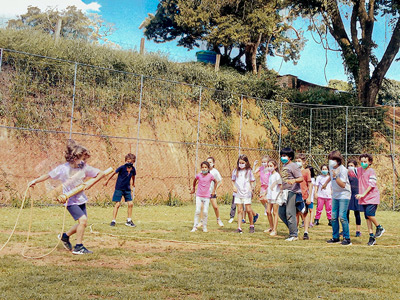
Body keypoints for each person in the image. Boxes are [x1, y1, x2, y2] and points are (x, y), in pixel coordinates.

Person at [29, 140, 102, 255]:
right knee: (83, 221)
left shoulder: (84, 167)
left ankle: (64, 236)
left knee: (82, 223)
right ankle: (79, 247)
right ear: (74, 158)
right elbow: (49, 175)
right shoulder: (63, 169)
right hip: (70, 200)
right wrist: (35, 181)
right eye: (82, 158)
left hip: (81, 199)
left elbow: (100, 174)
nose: (84, 161)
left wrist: (91, 183)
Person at [355, 154, 385, 246]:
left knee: (369, 214)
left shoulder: (371, 171)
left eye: (365, 162)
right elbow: (350, 171)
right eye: (362, 161)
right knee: (367, 218)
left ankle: (379, 227)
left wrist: (363, 194)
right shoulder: (359, 170)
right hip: (364, 199)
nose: (363, 163)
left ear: (370, 162)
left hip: (372, 198)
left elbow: (371, 185)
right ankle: (371, 237)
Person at [326, 150, 352, 246]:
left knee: (342, 216)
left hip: (344, 194)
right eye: (330, 159)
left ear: (338, 160)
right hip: (335, 194)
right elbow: (330, 176)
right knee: (333, 217)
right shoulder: (331, 167)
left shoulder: (343, 170)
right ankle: (335, 237)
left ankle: (347, 238)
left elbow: (342, 185)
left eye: (333, 159)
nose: (331, 161)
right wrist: (325, 183)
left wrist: (336, 177)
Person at [104, 153, 136, 228]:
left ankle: (129, 220)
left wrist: (133, 183)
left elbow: (133, 176)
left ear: (133, 162)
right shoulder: (122, 167)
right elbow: (113, 173)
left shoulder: (133, 169)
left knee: (130, 204)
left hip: (127, 189)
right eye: (128, 161)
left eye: (131, 162)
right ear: (125, 161)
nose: (129, 163)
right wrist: (107, 181)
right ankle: (113, 220)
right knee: (117, 204)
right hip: (119, 188)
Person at [278, 147, 303, 241]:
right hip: (284, 192)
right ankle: (294, 230)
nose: (282, 157)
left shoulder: (294, 166)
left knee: (290, 212)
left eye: (284, 156)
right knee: (281, 212)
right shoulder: (284, 166)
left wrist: (294, 180)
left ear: (290, 157)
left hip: (293, 192)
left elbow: (301, 178)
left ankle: (293, 235)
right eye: (281, 155)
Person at [232, 154, 256, 233]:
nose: (241, 164)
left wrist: (252, 188)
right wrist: (234, 187)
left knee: (248, 210)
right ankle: (239, 228)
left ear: (246, 163)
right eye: (240, 163)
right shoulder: (236, 171)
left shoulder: (249, 171)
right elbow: (233, 180)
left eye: (242, 163)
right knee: (239, 210)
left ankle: (251, 225)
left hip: (246, 193)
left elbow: (252, 181)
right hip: (238, 193)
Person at [190, 161, 217, 232]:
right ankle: (195, 227)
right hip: (199, 195)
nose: (204, 169)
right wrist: (193, 188)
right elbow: (195, 180)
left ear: (208, 168)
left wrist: (214, 191)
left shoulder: (210, 176)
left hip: (206, 196)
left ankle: (204, 226)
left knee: (205, 212)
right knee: (197, 211)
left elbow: (215, 181)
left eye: (205, 167)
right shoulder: (199, 175)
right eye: (202, 167)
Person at [198, 157, 224, 227]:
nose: (209, 164)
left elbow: (220, 181)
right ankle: (201, 221)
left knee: (215, 207)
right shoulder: (203, 171)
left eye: (210, 162)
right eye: (208, 162)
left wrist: (215, 190)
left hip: (212, 193)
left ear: (213, 163)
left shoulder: (215, 171)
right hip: (204, 193)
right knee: (202, 207)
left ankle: (218, 219)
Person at [294, 154, 312, 240]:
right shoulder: (293, 171)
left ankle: (306, 232)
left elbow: (310, 184)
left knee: (305, 213)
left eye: (299, 161)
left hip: (304, 196)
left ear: (303, 162)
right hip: (295, 195)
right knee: (296, 214)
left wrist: (309, 197)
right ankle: (295, 231)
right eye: (296, 161)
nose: (297, 162)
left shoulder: (306, 171)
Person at [265, 159, 282, 236]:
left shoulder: (277, 175)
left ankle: (275, 230)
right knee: (268, 211)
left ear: (275, 166)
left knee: (275, 213)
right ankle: (271, 227)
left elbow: (280, 185)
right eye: (268, 166)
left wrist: (280, 195)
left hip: (276, 196)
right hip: (270, 196)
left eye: (271, 166)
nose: (269, 167)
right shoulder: (271, 175)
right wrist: (265, 193)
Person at [347, 160, 362, 237]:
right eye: (349, 165)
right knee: (346, 213)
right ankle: (346, 230)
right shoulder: (346, 174)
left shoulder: (358, 174)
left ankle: (358, 231)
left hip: (356, 195)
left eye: (351, 165)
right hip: (348, 195)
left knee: (357, 213)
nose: (350, 167)